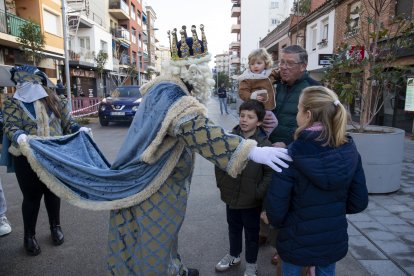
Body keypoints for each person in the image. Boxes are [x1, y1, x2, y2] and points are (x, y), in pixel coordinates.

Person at [14, 25, 291, 275]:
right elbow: (195, 128)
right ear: (194, 69)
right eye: (204, 66)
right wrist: (249, 150)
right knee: (153, 241)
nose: (207, 72)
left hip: (153, 180)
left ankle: (173, 269)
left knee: (157, 238)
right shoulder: (175, 97)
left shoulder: (165, 88)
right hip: (155, 187)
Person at [266, 86, 369, 276]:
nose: (297, 113)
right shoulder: (350, 151)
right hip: (332, 239)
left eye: (298, 108)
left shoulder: (291, 155)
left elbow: (276, 207)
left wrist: (280, 224)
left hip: (295, 238)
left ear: (307, 114)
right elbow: (358, 202)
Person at [2, 65, 89, 256]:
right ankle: (29, 236)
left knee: (53, 192)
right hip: (25, 157)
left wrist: (78, 129)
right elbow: (10, 125)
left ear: (39, 82)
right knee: (32, 198)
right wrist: (19, 136)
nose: (22, 85)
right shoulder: (12, 103)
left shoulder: (57, 100)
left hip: (53, 155)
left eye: (27, 81)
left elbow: (68, 123)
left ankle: (55, 227)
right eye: (19, 82)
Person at [264, 45, 320, 265]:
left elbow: (315, 127)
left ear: (303, 66)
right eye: (282, 63)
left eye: (290, 63)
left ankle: (281, 247)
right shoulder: (275, 86)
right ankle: (265, 234)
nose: (284, 68)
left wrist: (287, 144)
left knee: (286, 202)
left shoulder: (313, 89)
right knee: (268, 197)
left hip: (293, 156)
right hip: (269, 149)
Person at [215, 100, 273, 276]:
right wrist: (222, 185)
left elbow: (269, 173)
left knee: (252, 234)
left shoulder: (264, 144)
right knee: (233, 228)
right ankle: (234, 255)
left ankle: (251, 264)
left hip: (251, 201)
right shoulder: (229, 139)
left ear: (260, 121)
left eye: (250, 117)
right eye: (242, 115)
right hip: (231, 196)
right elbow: (219, 164)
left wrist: (258, 193)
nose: (244, 120)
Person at [238, 48, 279, 135]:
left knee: (267, 124)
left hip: (268, 107)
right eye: (252, 64)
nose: (255, 66)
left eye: (259, 63)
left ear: (266, 63)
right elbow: (242, 92)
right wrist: (252, 96)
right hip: (256, 108)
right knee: (272, 122)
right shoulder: (248, 77)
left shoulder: (269, 73)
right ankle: (262, 136)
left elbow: (279, 74)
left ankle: (261, 135)